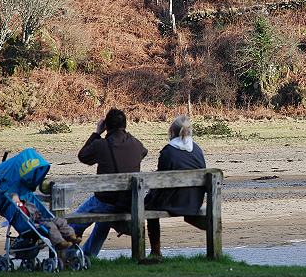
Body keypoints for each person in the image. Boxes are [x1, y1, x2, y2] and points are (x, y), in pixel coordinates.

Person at [70, 108, 148, 257]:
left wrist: (96, 133)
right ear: (125, 125)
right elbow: (144, 152)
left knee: (74, 222)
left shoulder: (101, 145)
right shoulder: (136, 144)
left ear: (107, 126)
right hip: (128, 203)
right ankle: (87, 255)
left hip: (106, 201)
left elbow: (83, 156)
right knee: (102, 222)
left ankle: (68, 254)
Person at [145, 115, 206, 259]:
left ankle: (156, 251)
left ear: (171, 131)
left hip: (171, 202)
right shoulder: (197, 149)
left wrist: (150, 196)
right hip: (193, 201)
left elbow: (160, 182)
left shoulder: (168, 151)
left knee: (148, 209)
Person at [10, 193, 80, 250]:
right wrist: (17, 204)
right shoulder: (16, 210)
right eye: (15, 201)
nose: (17, 202)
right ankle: (59, 243)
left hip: (40, 219)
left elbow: (37, 211)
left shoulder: (27, 204)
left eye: (18, 200)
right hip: (32, 224)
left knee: (60, 221)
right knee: (50, 225)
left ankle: (71, 236)